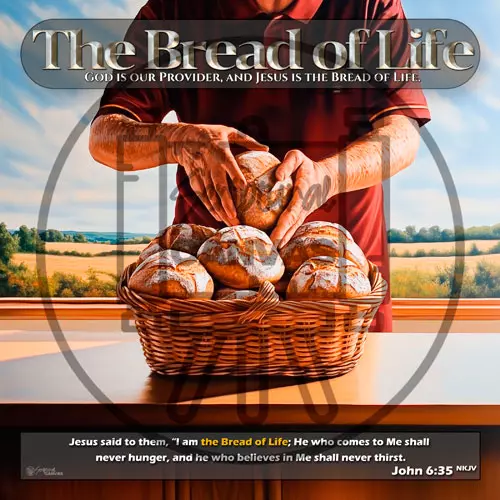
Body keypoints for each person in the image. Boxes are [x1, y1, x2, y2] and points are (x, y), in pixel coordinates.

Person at [89, 0, 431, 332]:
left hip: (341, 284)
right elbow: (104, 136)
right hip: (207, 291)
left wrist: (327, 176)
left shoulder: (370, 6)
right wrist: (179, 140)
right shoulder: (173, 10)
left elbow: (402, 134)